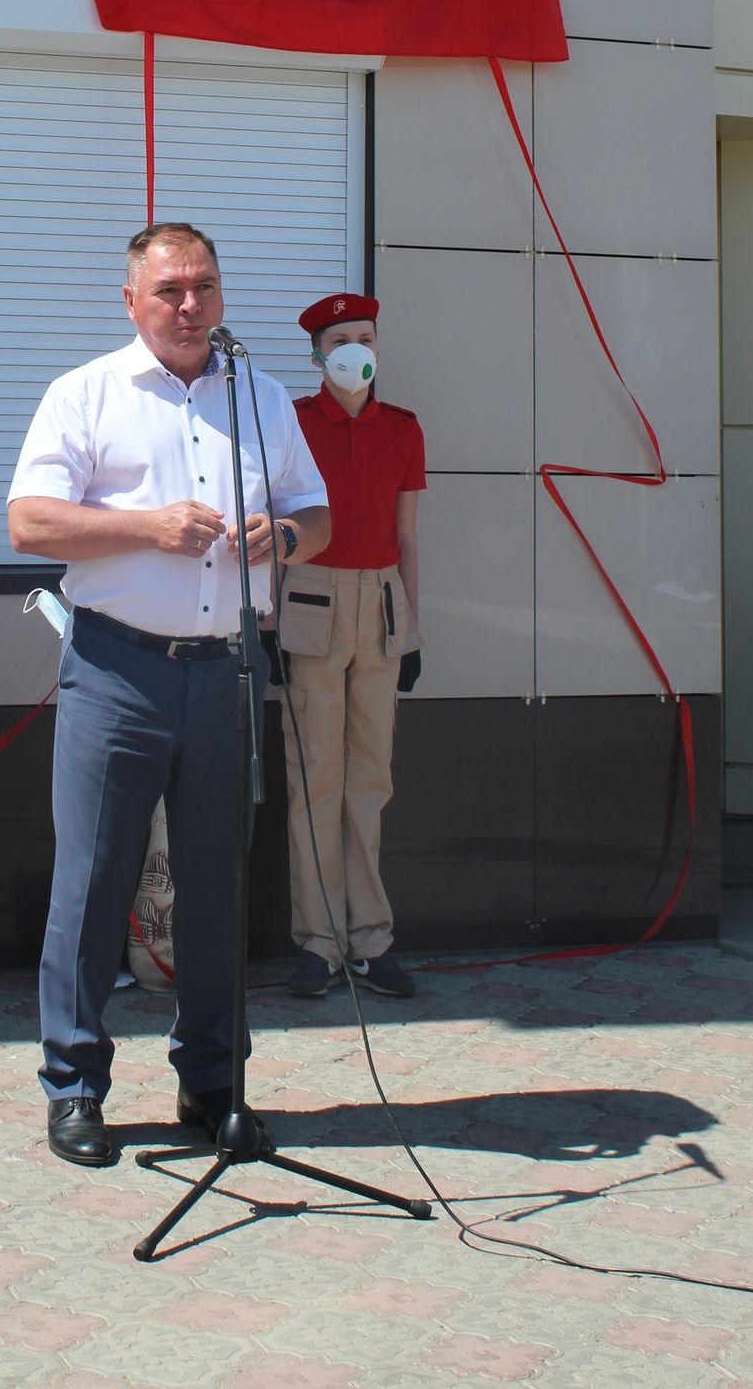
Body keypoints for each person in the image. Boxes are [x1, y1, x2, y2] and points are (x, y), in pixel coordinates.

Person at [9, 223, 330, 1168]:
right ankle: (74, 1088)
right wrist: (146, 528)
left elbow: (315, 509)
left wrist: (289, 537)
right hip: (118, 669)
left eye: (205, 287)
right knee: (95, 884)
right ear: (132, 301)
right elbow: (28, 520)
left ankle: (213, 1082)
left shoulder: (262, 395)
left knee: (218, 886)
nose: (190, 307)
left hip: (228, 668)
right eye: (169, 291)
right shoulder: (86, 393)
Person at [280, 292, 425, 1002]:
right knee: (315, 780)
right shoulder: (294, 422)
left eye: (365, 336)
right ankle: (318, 941)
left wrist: (414, 628)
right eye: (340, 340)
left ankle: (372, 940)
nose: (354, 350)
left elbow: (409, 536)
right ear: (317, 353)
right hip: (311, 600)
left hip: (382, 606)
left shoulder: (403, 429)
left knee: (370, 782)